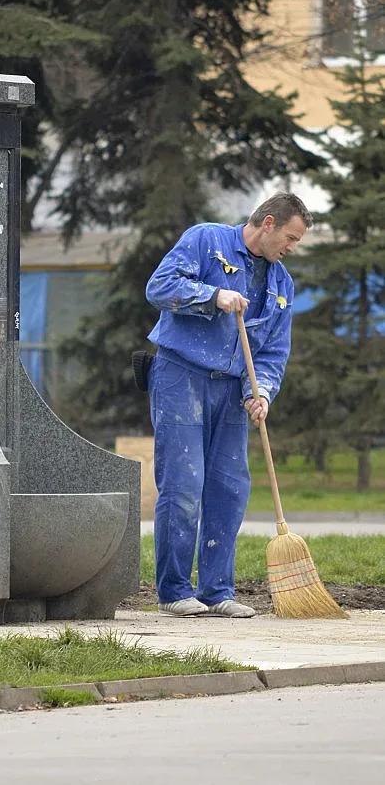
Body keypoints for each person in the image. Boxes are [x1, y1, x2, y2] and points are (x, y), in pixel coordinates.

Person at [145, 192, 313, 617]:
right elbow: (159, 287)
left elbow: (273, 351)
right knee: (184, 486)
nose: (292, 248)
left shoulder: (281, 284)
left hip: (232, 391)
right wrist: (213, 296)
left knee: (229, 489)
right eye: (291, 238)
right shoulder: (206, 241)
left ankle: (217, 592)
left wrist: (261, 393)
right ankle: (174, 591)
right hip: (181, 375)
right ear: (269, 222)